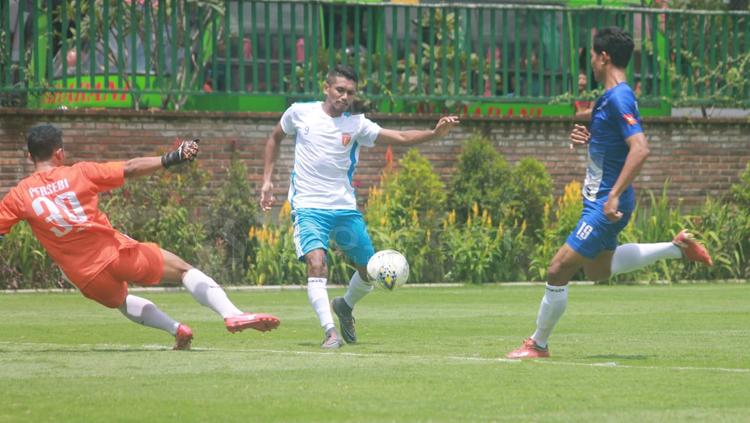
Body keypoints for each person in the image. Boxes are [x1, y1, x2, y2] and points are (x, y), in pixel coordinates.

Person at [506, 28, 713, 359]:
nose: (589, 60)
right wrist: (589, 140)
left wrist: (614, 194)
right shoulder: (611, 96)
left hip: (605, 203)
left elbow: (640, 148)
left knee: (558, 269)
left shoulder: (618, 97)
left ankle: (537, 344)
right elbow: (615, 141)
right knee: (598, 270)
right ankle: (677, 250)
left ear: (604, 57)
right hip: (600, 199)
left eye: (591, 54)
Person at [0, 124, 280, 350]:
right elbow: (131, 167)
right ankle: (231, 313)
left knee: (122, 301)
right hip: (115, 254)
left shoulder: (20, 195)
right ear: (59, 153)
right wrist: (173, 157)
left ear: (29, 157)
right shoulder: (80, 172)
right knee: (183, 270)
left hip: (86, 277)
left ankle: (176, 329)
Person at [259, 64, 459, 349]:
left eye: (350, 92)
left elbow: (400, 138)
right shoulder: (299, 113)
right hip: (308, 207)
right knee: (317, 263)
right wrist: (267, 181)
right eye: (340, 90)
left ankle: (345, 306)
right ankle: (330, 332)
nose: (344, 96)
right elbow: (274, 138)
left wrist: (435, 134)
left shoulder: (357, 125)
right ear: (326, 88)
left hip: (343, 209)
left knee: (369, 272)